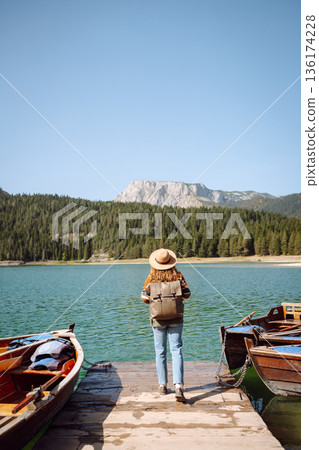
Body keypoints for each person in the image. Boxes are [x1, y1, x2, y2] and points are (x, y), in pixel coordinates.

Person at [141, 248, 191, 402]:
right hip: (176, 318)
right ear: (171, 262)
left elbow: (144, 297)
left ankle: (163, 385)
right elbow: (187, 294)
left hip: (158, 320)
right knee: (176, 351)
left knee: (160, 351)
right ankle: (178, 387)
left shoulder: (151, 278)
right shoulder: (179, 276)